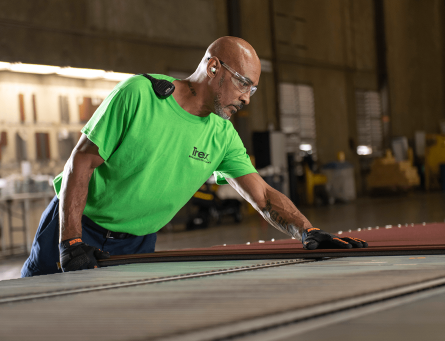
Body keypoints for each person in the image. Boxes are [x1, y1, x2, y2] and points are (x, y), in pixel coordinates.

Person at [21, 36, 367, 277]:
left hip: (138, 243)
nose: (247, 98)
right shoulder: (141, 94)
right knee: (38, 312)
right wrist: (71, 240)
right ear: (213, 67)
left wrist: (308, 230)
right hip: (79, 227)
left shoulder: (222, 135)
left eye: (253, 89)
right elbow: (81, 160)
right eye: (243, 83)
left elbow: (262, 195)